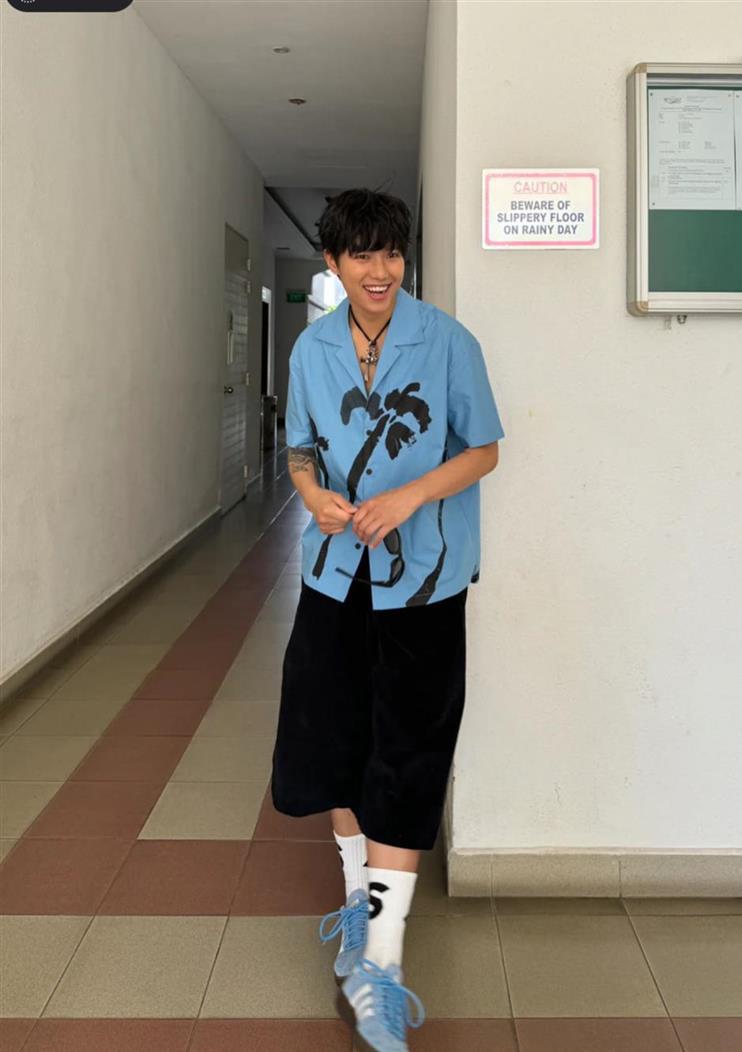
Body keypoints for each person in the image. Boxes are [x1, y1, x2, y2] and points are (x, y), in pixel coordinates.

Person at [270, 187, 504, 1052]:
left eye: (392, 253)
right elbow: (300, 449)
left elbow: (483, 448)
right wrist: (311, 497)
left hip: (425, 581)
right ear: (333, 262)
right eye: (362, 255)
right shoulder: (312, 348)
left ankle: (383, 960)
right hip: (334, 576)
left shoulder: (447, 341)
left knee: (407, 753)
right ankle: (357, 904)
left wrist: (410, 495)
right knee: (333, 742)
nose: (380, 270)